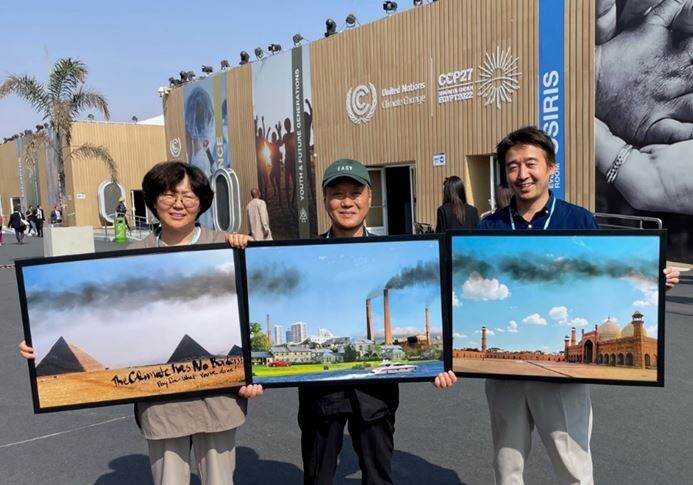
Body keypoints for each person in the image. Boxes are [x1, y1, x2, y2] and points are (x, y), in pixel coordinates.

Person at [20, 161, 263, 485]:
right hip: (160, 404)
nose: (179, 204)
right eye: (168, 194)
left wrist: (256, 373)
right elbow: (96, 320)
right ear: (152, 200)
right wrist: (40, 338)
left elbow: (257, 314)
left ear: (202, 201)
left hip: (219, 399)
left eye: (189, 196)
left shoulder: (228, 246)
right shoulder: (131, 257)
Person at [473, 126, 679, 484]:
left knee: (573, 468)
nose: (522, 175)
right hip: (505, 378)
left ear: (552, 167)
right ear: (504, 174)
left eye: (531, 163)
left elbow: (605, 277)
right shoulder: (488, 227)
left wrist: (651, 279)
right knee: (507, 467)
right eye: (512, 166)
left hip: (563, 384)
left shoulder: (578, 220)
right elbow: (467, 289)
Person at [230, 158, 456, 485]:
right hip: (320, 398)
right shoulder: (302, 256)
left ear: (369, 198)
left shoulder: (394, 252)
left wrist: (440, 364)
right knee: (318, 477)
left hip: (375, 399)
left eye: (355, 193)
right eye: (337, 194)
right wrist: (240, 250)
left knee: (378, 477)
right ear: (324, 200)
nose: (346, 202)